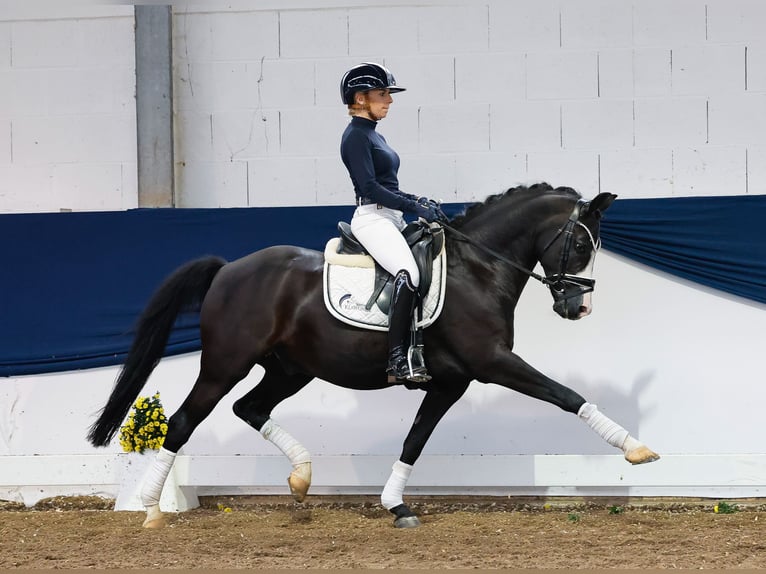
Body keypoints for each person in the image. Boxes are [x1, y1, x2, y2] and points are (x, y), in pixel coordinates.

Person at [339, 62, 441, 385]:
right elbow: (370, 188)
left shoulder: (374, 135)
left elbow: (389, 186)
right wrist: (413, 205)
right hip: (372, 218)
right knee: (408, 274)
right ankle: (397, 359)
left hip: (390, 216)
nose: (389, 101)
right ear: (360, 98)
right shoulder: (356, 137)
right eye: (382, 94)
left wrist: (418, 201)